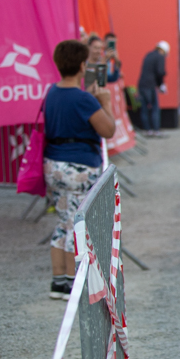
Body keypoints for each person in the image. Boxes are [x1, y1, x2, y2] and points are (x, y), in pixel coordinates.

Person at [43, 40, 116, 299]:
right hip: (81, 164)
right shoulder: (84, 99)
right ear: (83, 65)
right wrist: (105, 102)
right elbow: (108, 130)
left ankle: (59, 281)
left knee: (63, 221)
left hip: (54, 163)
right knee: (79, 224)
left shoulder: (51, 93)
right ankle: (76, 282)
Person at [137, 41, 170, 137]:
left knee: (144, 109)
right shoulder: (160, 57)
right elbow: (160, 72)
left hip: (142, 84)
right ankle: (156, 129)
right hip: (150, 85)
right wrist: (161, 84)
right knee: (155, 108)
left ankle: (147, 130)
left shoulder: (149, 55)